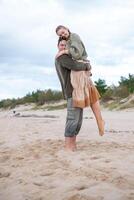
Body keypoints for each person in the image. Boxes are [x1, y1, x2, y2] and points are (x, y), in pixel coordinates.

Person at [55, 25, 105, 136]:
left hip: (82, 63)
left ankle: (100, 120)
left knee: (92, 92)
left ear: (67, 29)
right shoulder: (66, 44)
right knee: (92, 92)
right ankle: (99, 120)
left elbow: (77, 53)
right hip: (80, 69)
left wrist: (65, 51)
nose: (63, 35)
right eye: (60, 35)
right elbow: (74, 63)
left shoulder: (74, 36)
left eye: (63, 32)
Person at [55, 38, 90, 151]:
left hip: (77, 91)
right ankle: (68, 147)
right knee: (72, 119)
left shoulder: (69, 57)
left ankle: (73, 146)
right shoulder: (61, 57)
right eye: (62, 45)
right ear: (58, 46)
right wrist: (87, 66)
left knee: (78, 120)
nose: (64, 47)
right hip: (71, 91)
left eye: (66, 45)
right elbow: (76, 66)